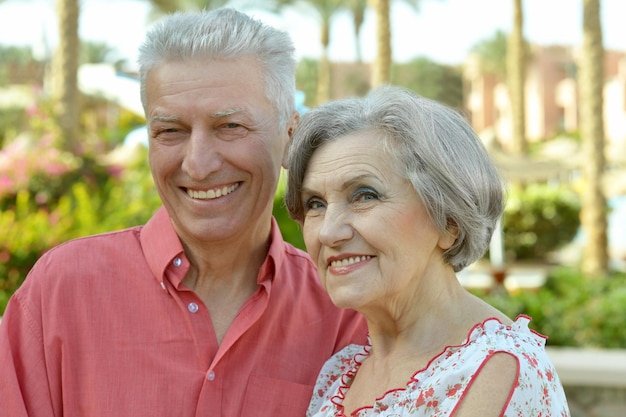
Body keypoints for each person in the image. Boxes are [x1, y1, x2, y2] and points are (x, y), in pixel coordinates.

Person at [0, 8, 367, 417]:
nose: (198, 164)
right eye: (171, 131)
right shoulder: (61, 292)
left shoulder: (344, 315)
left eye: (230, 126)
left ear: (290, 137)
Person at [284, 86, 571, 417]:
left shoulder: (495, 373)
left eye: (365, 195)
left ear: (449, 221)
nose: (329, 231)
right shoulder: (341, 373)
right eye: (315, 204)